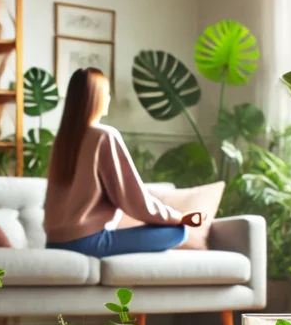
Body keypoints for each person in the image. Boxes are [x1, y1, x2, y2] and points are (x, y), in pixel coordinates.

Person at [44, 67, 203, 258]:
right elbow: (134, 199)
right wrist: (178, 217)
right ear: (96, 97)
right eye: (107, 93)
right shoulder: (103, 136)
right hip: (85, 243)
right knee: (178, 231)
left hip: (53, 243)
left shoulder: (63, 141)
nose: (109, 98)